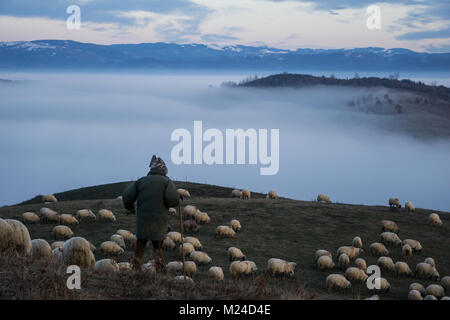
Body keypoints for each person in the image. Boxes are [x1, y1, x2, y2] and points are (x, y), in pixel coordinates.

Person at [122, 155, 179, 272]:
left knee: (140, 245)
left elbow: (127, 196)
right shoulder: (167, 182)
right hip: (159, 221)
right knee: (158, 247)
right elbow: (172, 200)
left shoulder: (141, 181)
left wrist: (130, 208)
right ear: (163, 170)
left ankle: (135, 271)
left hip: (143, 221)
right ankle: (160, 272)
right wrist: (176, 200)